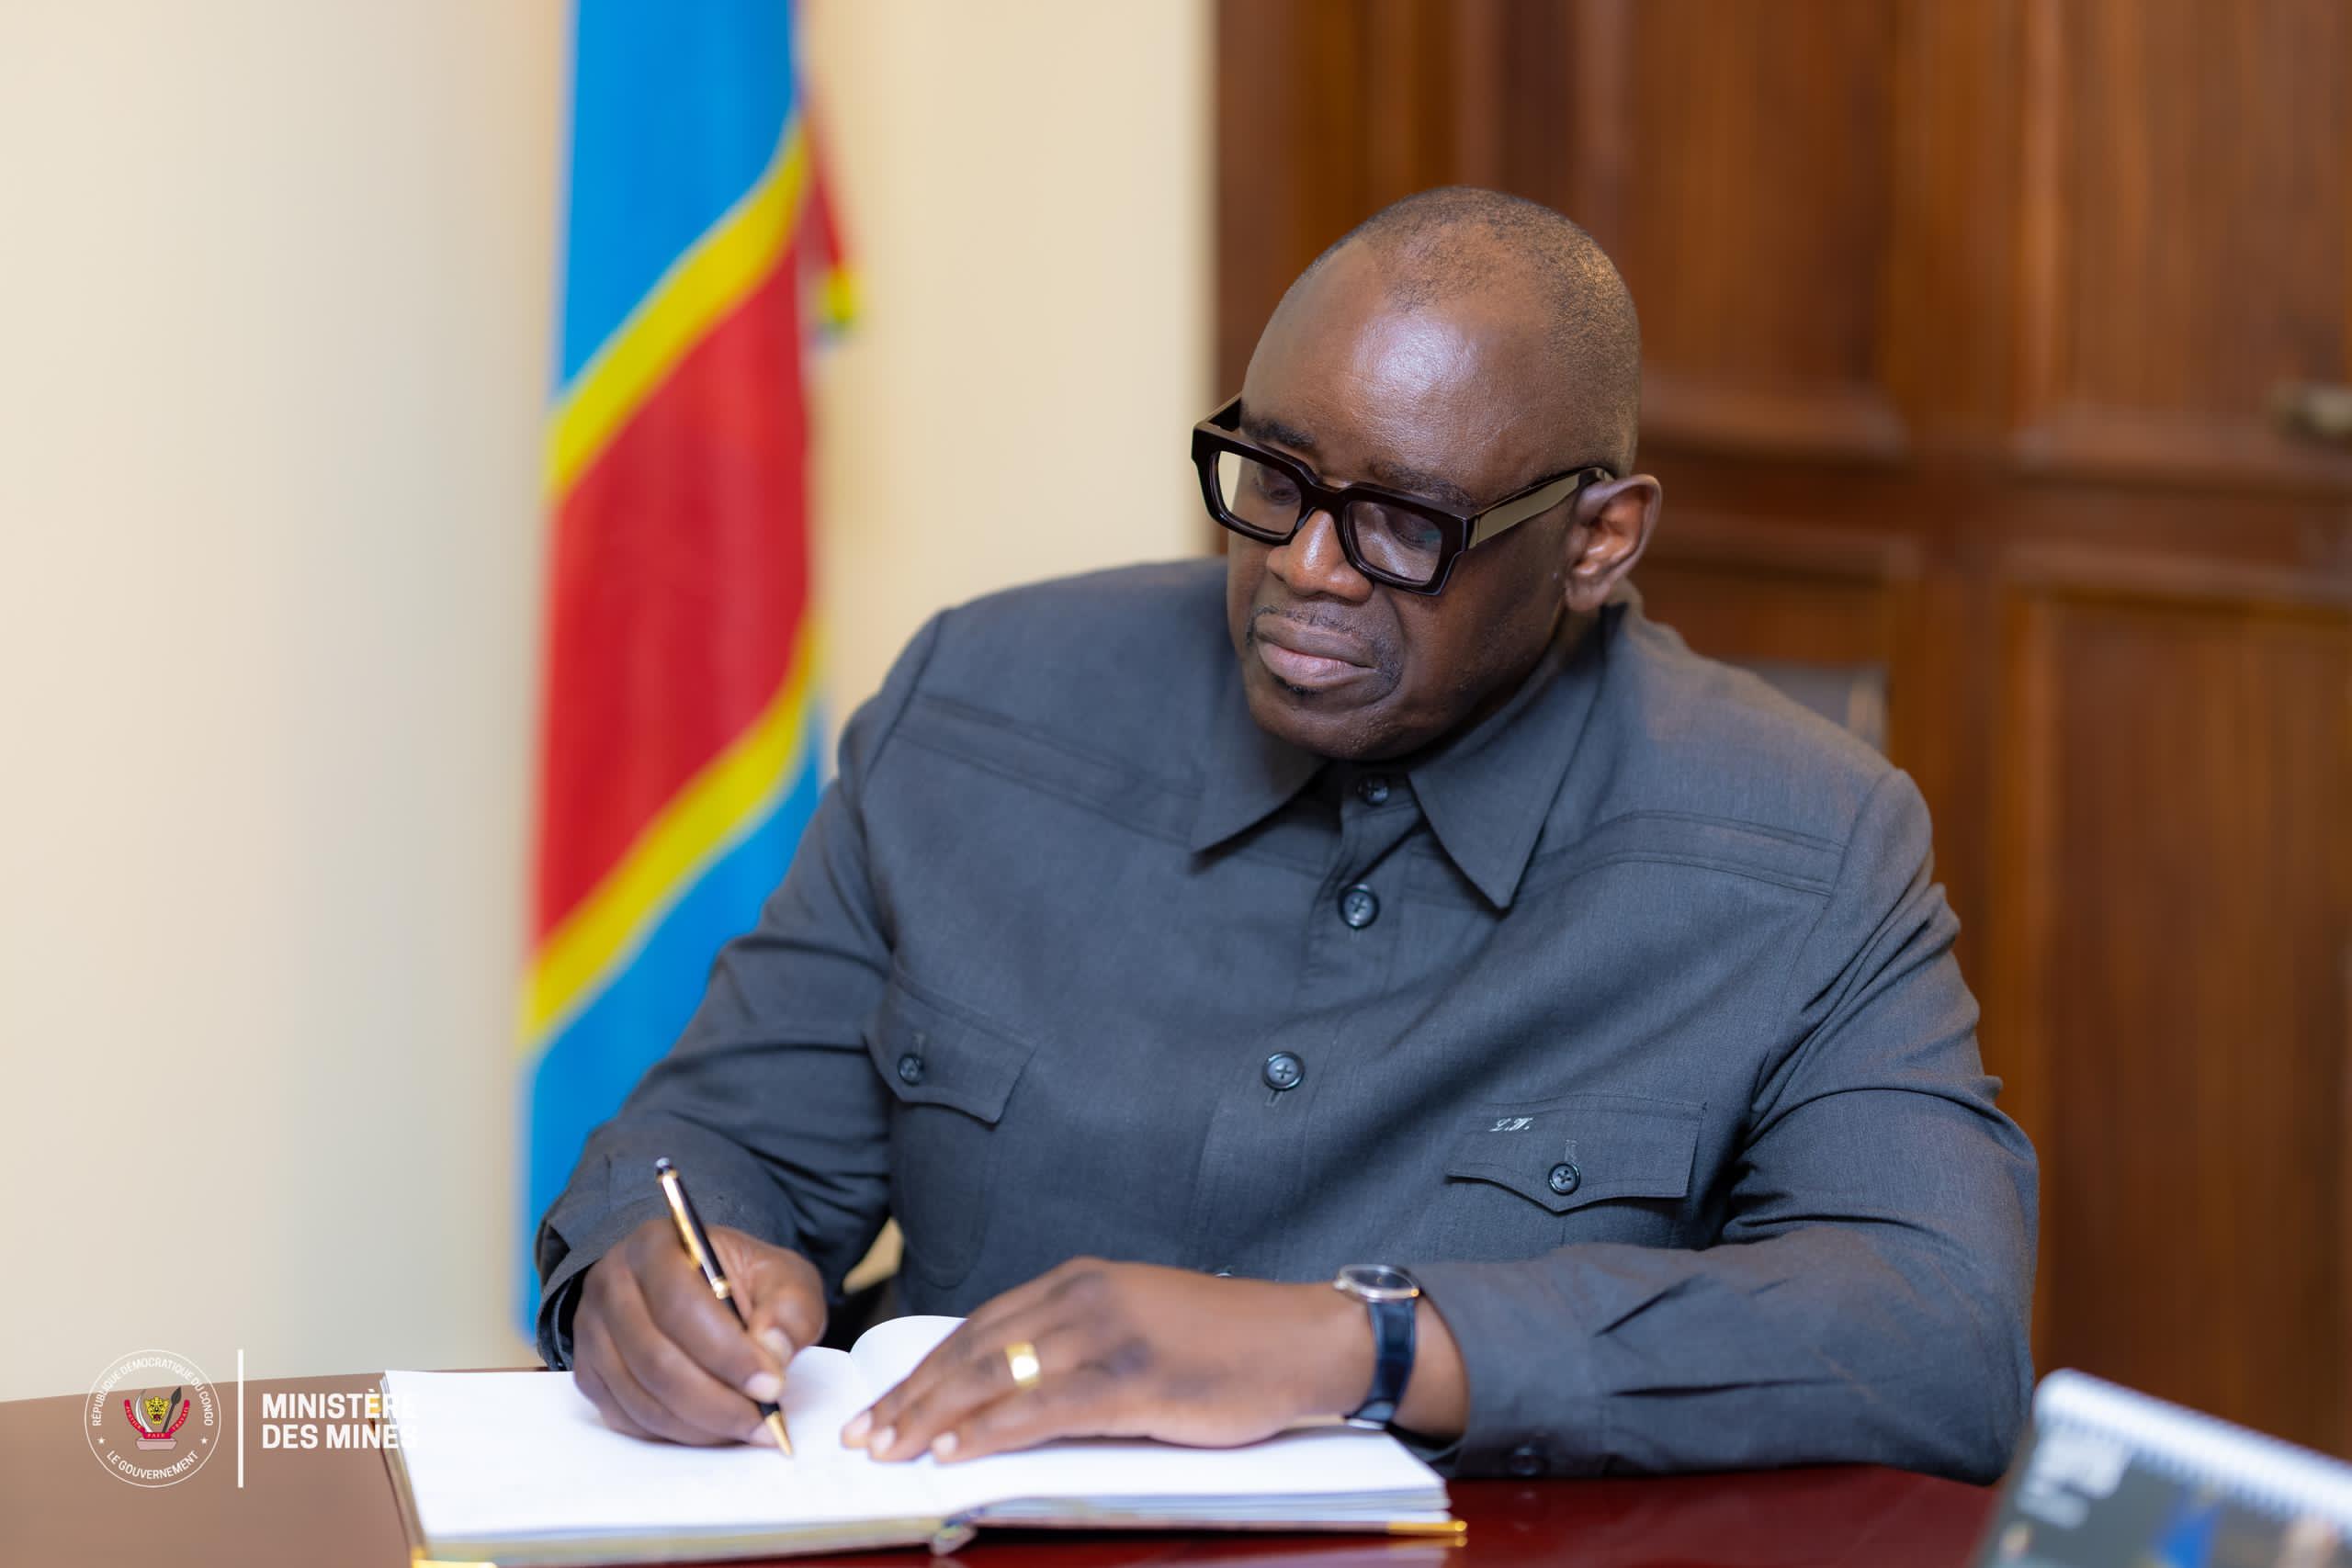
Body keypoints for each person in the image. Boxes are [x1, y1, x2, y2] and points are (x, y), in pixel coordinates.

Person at [534, 186, 2038, 1482]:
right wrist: (658, 1275)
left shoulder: (1804, 843)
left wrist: (1361, 1345)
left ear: (1596, 539)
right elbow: (716, 1143)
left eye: (1405, 523)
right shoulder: (979, 707)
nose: (1309, 566)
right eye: (1275, 477)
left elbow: (1935, 1330)